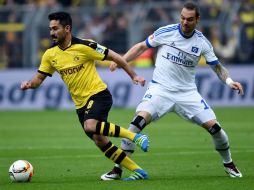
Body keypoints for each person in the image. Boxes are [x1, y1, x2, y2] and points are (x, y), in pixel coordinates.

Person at [101, 1, 244, 180]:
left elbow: (217, 67)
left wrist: (229, 81)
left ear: (197, 20)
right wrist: (122, 61)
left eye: (190, 19)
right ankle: (117, 169)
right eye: (183, 18)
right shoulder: (166, 32)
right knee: (135, 125)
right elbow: (141, 47)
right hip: (160, 90)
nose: (185, 22)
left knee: (215, 128)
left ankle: (229, 163)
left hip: (187, 94)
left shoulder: (202, 42)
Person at [20, 12, 149, 181]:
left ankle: (135, 136)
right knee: (99, 140)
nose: (51, 32)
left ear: (67, 29)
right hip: (80, 105)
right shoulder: (50, 55)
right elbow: (39, 78)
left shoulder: (85, 45)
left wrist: (133, 76)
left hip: (99, 95)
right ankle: (138, 171)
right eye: (50, 29)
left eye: (55, 28)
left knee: (90, 126)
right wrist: (29, 84)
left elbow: (115, 56)